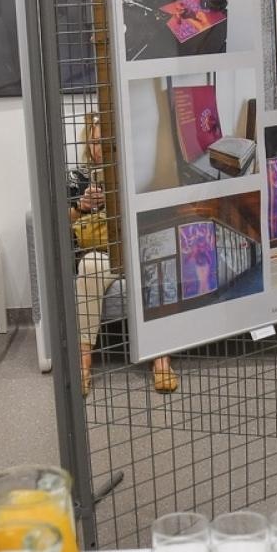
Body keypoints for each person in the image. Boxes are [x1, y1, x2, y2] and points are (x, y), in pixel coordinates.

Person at [71, 112, 177, 394]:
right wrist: (83, 206)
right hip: (104, 252)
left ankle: (161, 360)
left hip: (139, 247)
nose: (100, 147)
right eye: (95, 142)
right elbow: (62, 223)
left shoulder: (136, 171)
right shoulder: (80, 176)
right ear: (87, 144)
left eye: (106, 141)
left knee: (157, 260)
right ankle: (83, 362)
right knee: (90, 266)